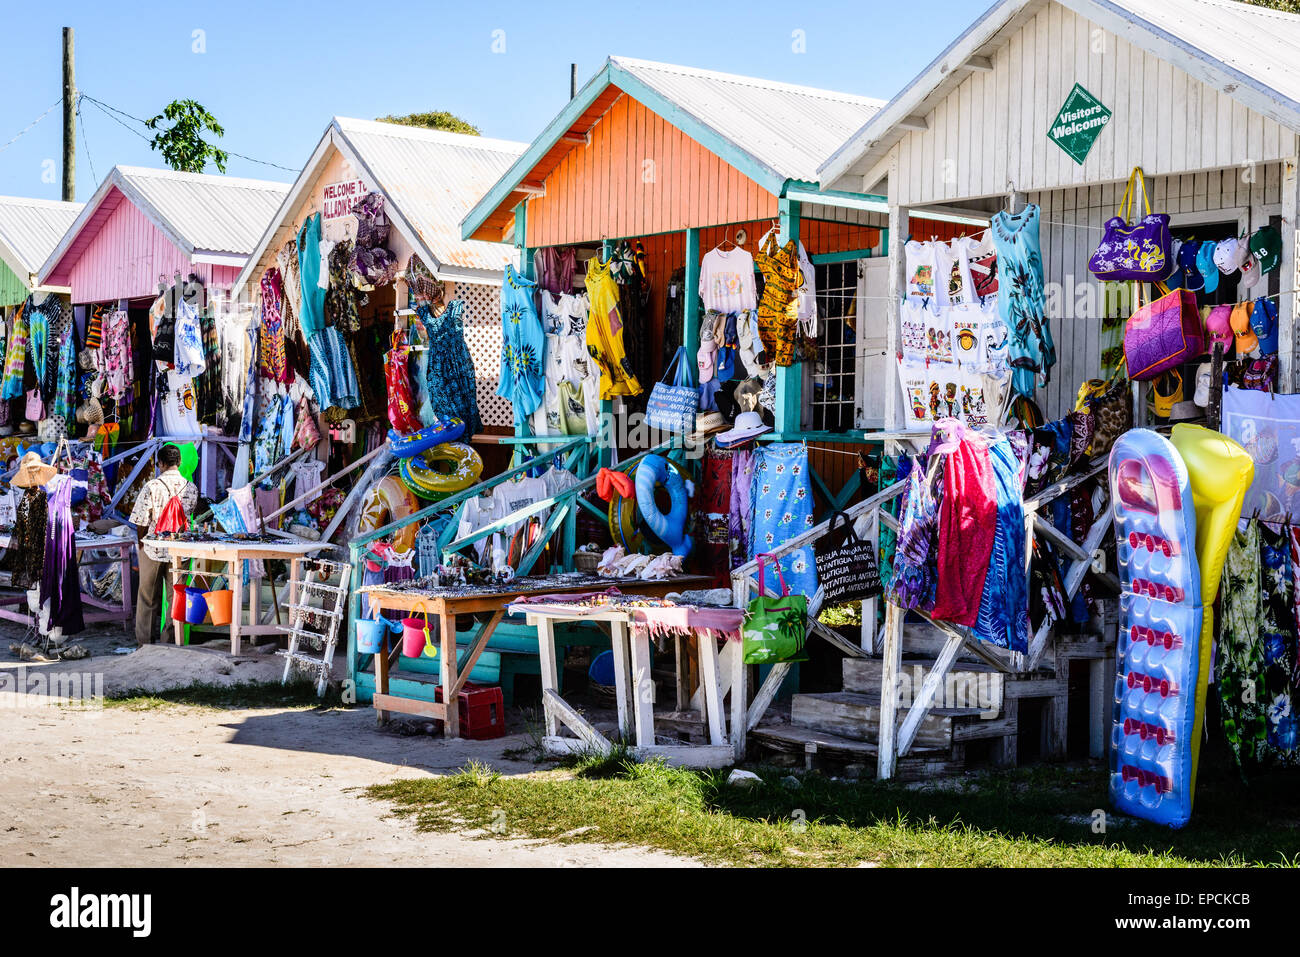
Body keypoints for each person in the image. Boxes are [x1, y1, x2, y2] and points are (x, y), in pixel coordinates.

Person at [129, 443, 198, 646]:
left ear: (160, 463)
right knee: (176, 598)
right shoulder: (191, 488)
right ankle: (171, 641)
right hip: (181, 551)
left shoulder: (152, 486)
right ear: (179, 462)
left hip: (152, 548)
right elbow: (188, 515)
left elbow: (141, 521)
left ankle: (146, 644)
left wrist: (142, 543)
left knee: (148, 597)